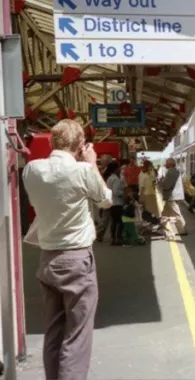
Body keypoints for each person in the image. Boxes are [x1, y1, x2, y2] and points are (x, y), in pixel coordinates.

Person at [21, 119, 112, 380]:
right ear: (80, 144)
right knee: (77, 337)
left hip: (47, 259)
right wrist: (92, 162)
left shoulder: (32, 170)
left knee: (54, 332)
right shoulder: (83, 172)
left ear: (51, 142)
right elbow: (106, 200)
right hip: (77, 260)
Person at [159, 158, 187, 236]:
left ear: (170, 164)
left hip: (172, 196)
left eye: (166, 163)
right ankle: (161, 227)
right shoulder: (174, 170)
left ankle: (182, 230)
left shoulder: (171, 171)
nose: (165, 164)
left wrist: (160, 183)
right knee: (165, 213)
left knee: (176, 213)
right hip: (172, 196)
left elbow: (167, 185)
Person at [104, 161, 125, 246]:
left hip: (111, 203)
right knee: (120, 221)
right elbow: (116, 192)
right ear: (116, 169)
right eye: (119, 168)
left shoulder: (109, 178)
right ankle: (118, 238)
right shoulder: (116, 179)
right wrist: (123, 192)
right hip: (117, 203)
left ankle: (113, 238)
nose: (120, 170)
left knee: (114, 221)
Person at [95, 154, 113, 242]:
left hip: (106, 195)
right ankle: (99, 232)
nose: (101, 162)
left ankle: (100, 232)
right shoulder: (106, 171)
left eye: (102, 161)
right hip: (106, 195)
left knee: (105, 216)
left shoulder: (108, 170)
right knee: (105, 216)